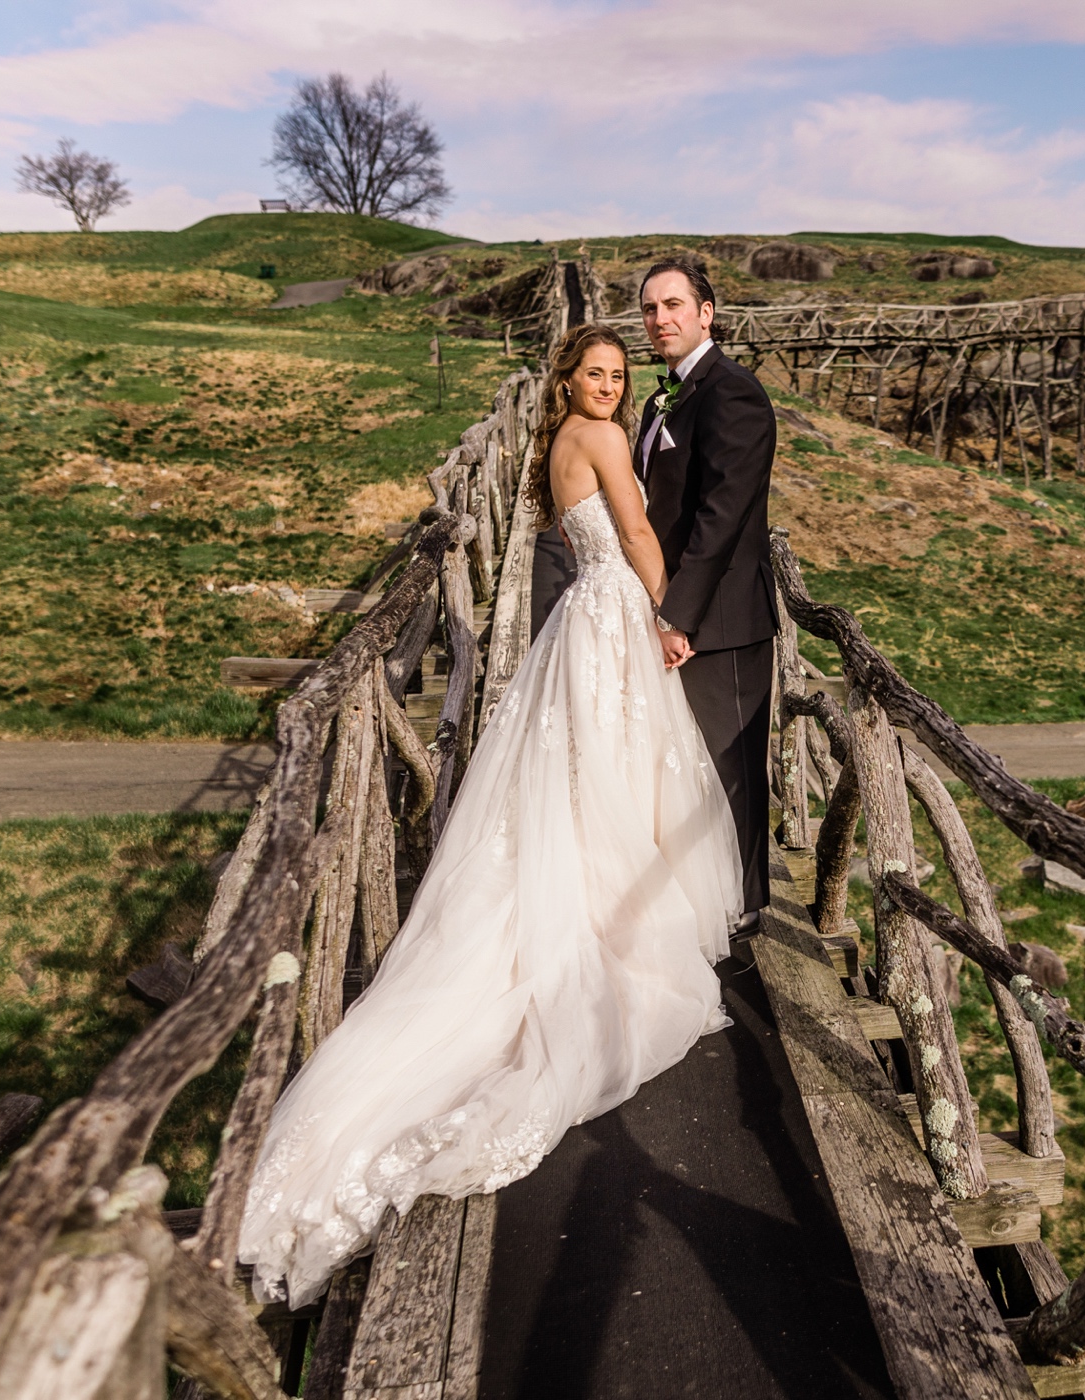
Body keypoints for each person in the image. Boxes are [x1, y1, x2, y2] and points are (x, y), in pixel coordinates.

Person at [239, 324, 744, 1309]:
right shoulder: (599, 439)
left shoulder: (554, 447)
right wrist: (671, 613)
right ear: (570, 379)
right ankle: (608, 921)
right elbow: (638, 535)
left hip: (574, 624)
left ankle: (592, 902)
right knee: (616, 770)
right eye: (594, 373)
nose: (608, 385)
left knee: (578, 773)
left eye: (616, 374)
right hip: (611, 616)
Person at [534, 257, 778, 921]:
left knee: (728, 768)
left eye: (674, 305)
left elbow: (722, 516)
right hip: (652, 607)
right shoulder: (654, 400)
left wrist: (676, 614)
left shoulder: (734, 393)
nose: (660, 318)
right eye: (649, 308)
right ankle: (686, 907)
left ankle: (746, 916)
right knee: (673, 770)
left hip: (717, 616)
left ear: (707, 313)